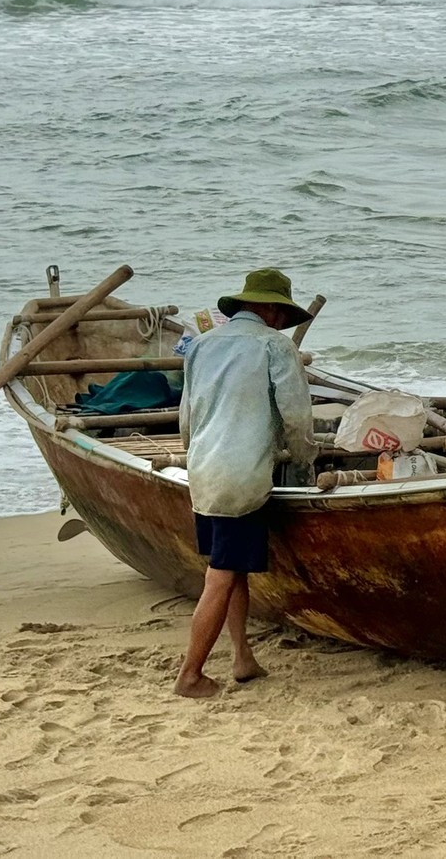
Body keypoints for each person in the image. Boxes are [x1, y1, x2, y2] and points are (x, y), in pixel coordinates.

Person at [174, 268, 318, 698]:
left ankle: (242, 658)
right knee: (220, 576)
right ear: (272, 310)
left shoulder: (200, 345)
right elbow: (295, 417)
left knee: (229, 569)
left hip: (203, 472)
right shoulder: (275, 345)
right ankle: (190, 675)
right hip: (242, 477)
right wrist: (304, 458)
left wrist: (196, 454)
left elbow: (187, 419)